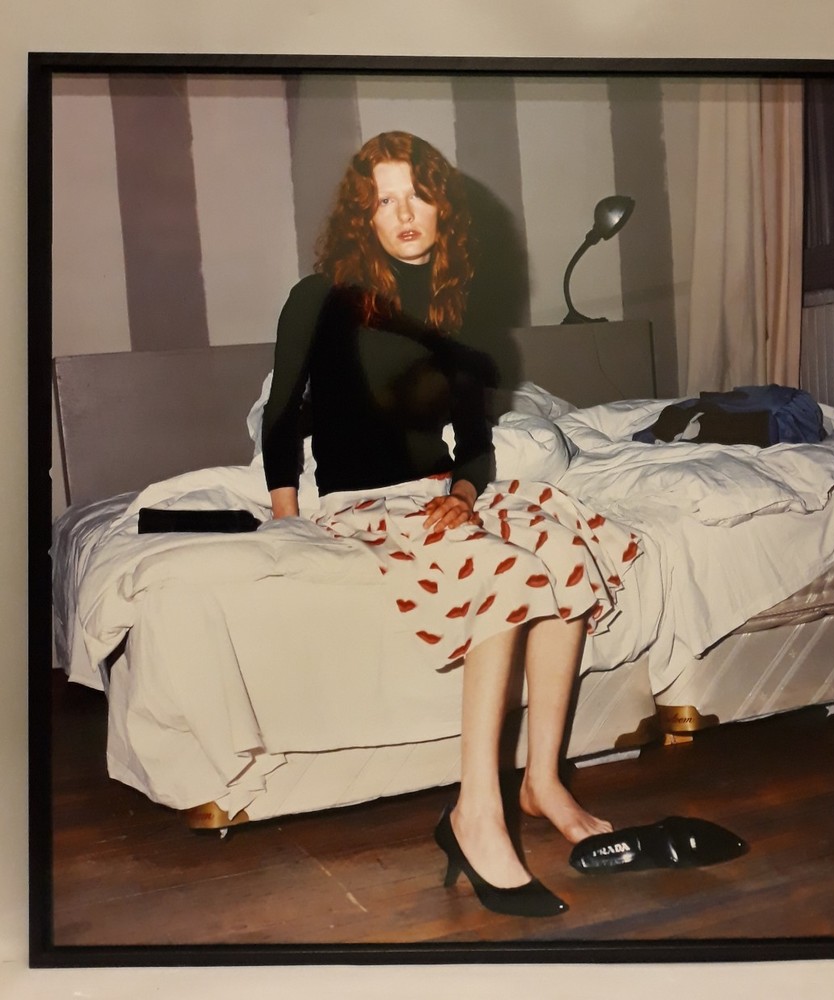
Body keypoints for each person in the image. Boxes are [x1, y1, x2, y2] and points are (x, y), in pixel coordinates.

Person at [261, 132, 641, 918]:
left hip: (439, 491)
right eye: (383, 200)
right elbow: (282, 414)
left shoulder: (456, 307)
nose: (404, 213)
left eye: (418, 194)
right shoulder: (318, 296)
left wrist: (465, 497)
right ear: (363, 218)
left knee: (563, 546)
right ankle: (477, 811)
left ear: (442, 206)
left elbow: (473, 447)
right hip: (360, 501)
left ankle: (542, 782)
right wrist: (287, 520)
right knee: (509, 573)